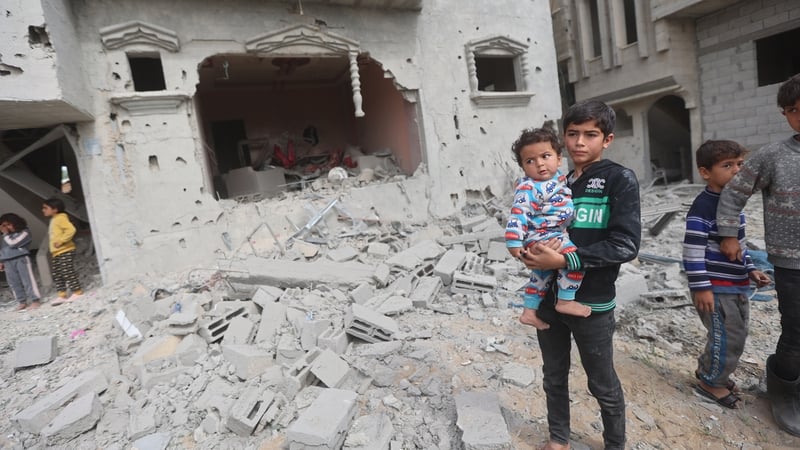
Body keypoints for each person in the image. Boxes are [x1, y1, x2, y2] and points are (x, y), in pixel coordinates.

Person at [520, 100, 641, 450]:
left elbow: (625, 245)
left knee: (601, 382)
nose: (579, 143)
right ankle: (559, 438)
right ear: (563, 138)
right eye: (572, 134)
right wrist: (528, 251)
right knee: (553, 375)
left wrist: (562, 261)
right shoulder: (553, 182)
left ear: (607, 139)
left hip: (592, 302)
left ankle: (614, 444)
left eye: (590, 134)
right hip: (548, 299)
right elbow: (534, 227)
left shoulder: (618, 179)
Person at [717, 73, 800, 436]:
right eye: (794, 110)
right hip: (791, 262)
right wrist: (728, 234)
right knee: (797, 332)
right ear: (785, 115)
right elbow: (734, 194)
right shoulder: (773, 156)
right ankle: (783, 386)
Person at [682, 140, 772, 409]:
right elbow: (693, 252)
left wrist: (750, 269)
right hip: (715, 287)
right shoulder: (703, 208)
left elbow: (737, 247)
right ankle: (711, 382)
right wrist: (701, 288)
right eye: (727, 165)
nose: (736, 170)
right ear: (706, 172)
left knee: (737, 333)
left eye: (740, 164)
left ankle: (711, 372)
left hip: (736, 284)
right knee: (726, 335)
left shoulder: (732, 203)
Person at [505, 126, 589, 331]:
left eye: (545, 156)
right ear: (523, 167)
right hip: (545, 236)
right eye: (530, 161)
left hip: (550, 234)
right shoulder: (530, 187)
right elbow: (518, 214)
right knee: (574, 260)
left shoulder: (559, 179)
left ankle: (529, 312)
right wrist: (514, 243)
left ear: (558, 159)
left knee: (540, 276)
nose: (539, 164)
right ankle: (566, 300)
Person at [42, 198, 83, 305]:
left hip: (65, 250)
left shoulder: (61, 218)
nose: (43, 210)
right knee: (57, 273)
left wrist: (61, 241)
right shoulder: (54, 219)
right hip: (57, 252)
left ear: (55, 209)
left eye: (45, 208)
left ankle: (77, 292)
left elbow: (71, 230)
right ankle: (62, 295)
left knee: (67, 271)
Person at [0, 213, 41, 311]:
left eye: (8, 224)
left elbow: (14, 243)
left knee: (27, 280)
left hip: (21, 258)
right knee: (13, 283)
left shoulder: (24, 232)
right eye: (4, 226)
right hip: (7, 261)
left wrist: (5, 234)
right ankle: (22, 302)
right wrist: (1, 261)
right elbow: (3, 249)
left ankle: (35, 300)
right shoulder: (6, 237)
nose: (6, 228)